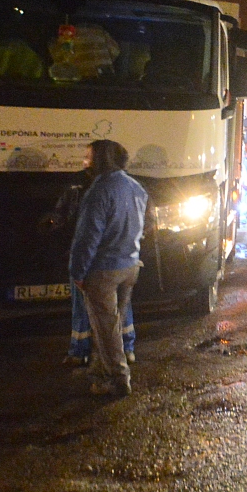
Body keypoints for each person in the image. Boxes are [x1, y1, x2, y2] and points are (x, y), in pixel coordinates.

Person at [69, 139, 148, 397]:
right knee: (113, 326)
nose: (85, 162)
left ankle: (117, 379)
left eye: (88, 157)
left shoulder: (98, 191)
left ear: (101, 160)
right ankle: (102, 371)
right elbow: (142, 227)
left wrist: (77, 272)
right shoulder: (136, 188)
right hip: (130, 266)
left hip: (103, 270)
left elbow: (87, 237)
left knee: (105, 330)